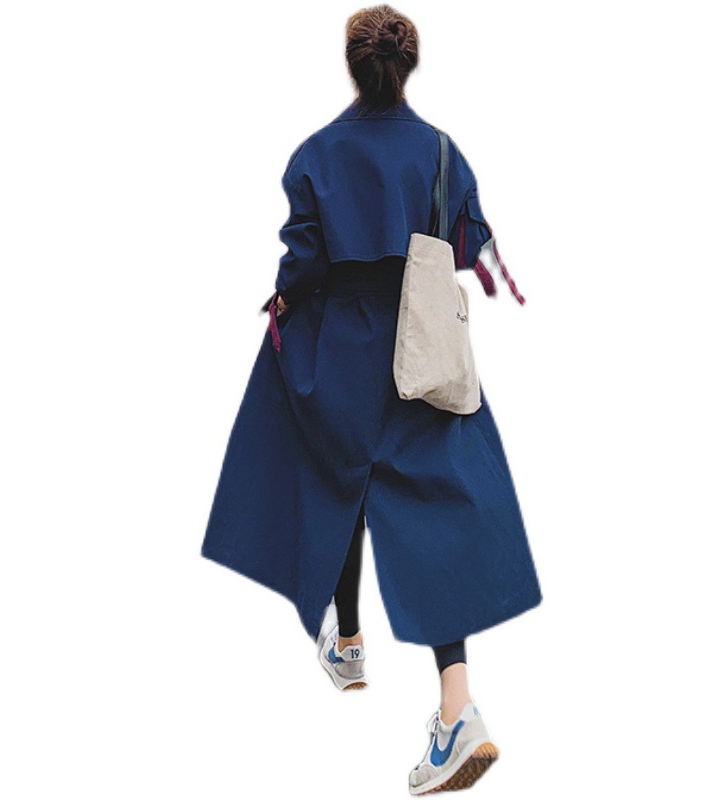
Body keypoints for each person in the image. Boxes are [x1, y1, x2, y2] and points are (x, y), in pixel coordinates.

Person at [201, 4, 542, 794]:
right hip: (422, 356)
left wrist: (284, 301)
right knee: (435, 512)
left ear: (353, 66)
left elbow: (303, 263)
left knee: (334, 472)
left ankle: (348, 640)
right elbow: (467, 245)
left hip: (340, 354)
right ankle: (457, 705)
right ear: (407, 66)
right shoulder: (442, 151)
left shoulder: (316, 153)